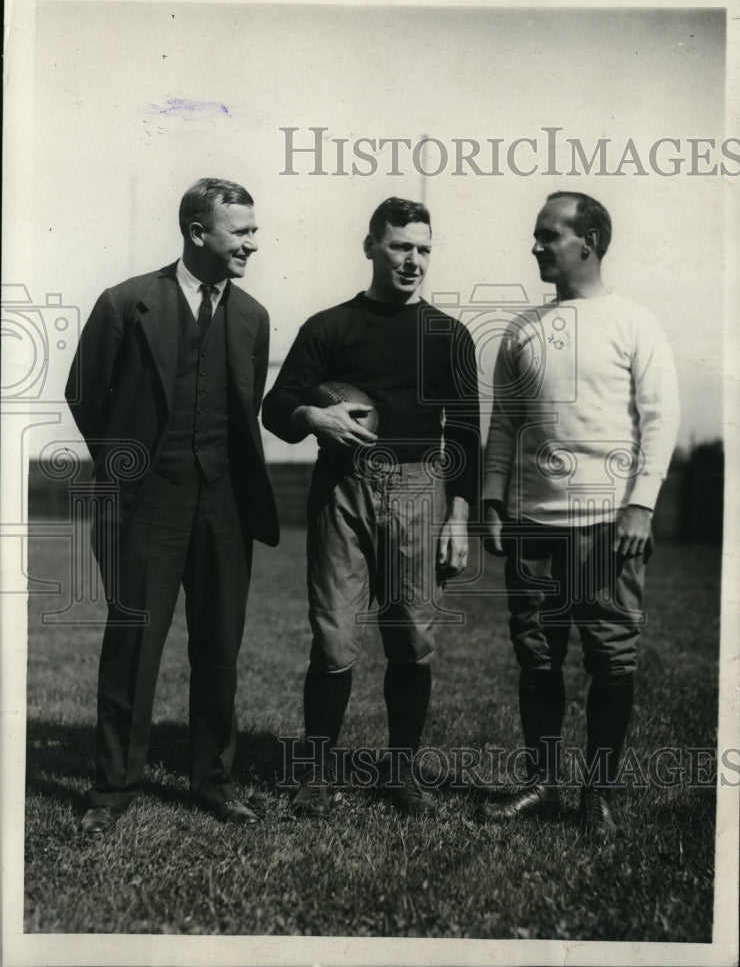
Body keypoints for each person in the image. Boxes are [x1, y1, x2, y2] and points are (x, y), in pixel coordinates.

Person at [65, 178, 279, 834]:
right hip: (146, 504)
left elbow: (243, 416)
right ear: (196, 233)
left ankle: (213, 781)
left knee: (219, 644)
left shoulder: (252, 318)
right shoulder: (127, 303)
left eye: (253, 229)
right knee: (134, 642)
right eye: (240, 231)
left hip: (226, 506)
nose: (253, 241)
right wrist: (128, 472)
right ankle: (112, 788)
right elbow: (85, 394)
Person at [262, 197, 480, 817]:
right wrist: (311, 414)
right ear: (370, 247)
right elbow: (276, 406)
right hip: (345, 488)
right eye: (400, 246)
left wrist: (458, 518)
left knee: (412, 639)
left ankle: (403, 774)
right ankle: (314, 775)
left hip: (420, 488)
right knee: (333, 638)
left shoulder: (448, 335)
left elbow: (464, 431)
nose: (413, 260)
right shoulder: (330, 327)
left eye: (424, 248)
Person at [481, 191, 680, 839]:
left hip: (607, 525)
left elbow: (660, 419)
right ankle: (542, 783)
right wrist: (492, 498)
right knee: (538, 658)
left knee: (610, 659)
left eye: (548, 235)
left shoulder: (634, 323)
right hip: (533, 525)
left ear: (587, 242)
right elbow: (506, 423)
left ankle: (597, 793)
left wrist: (640, 506)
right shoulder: (522, 330)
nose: (536, 246)